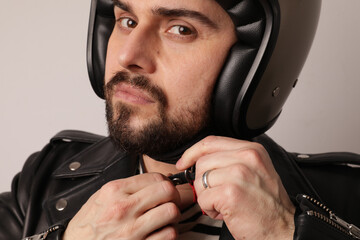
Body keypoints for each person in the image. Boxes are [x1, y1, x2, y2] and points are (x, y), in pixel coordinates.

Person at [1, 0, 360, 239]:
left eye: (180, 29)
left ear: (254, 66)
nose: (128, 55)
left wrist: (286, 232)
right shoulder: (43, 180)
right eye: (127, 20)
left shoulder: (347, 198)